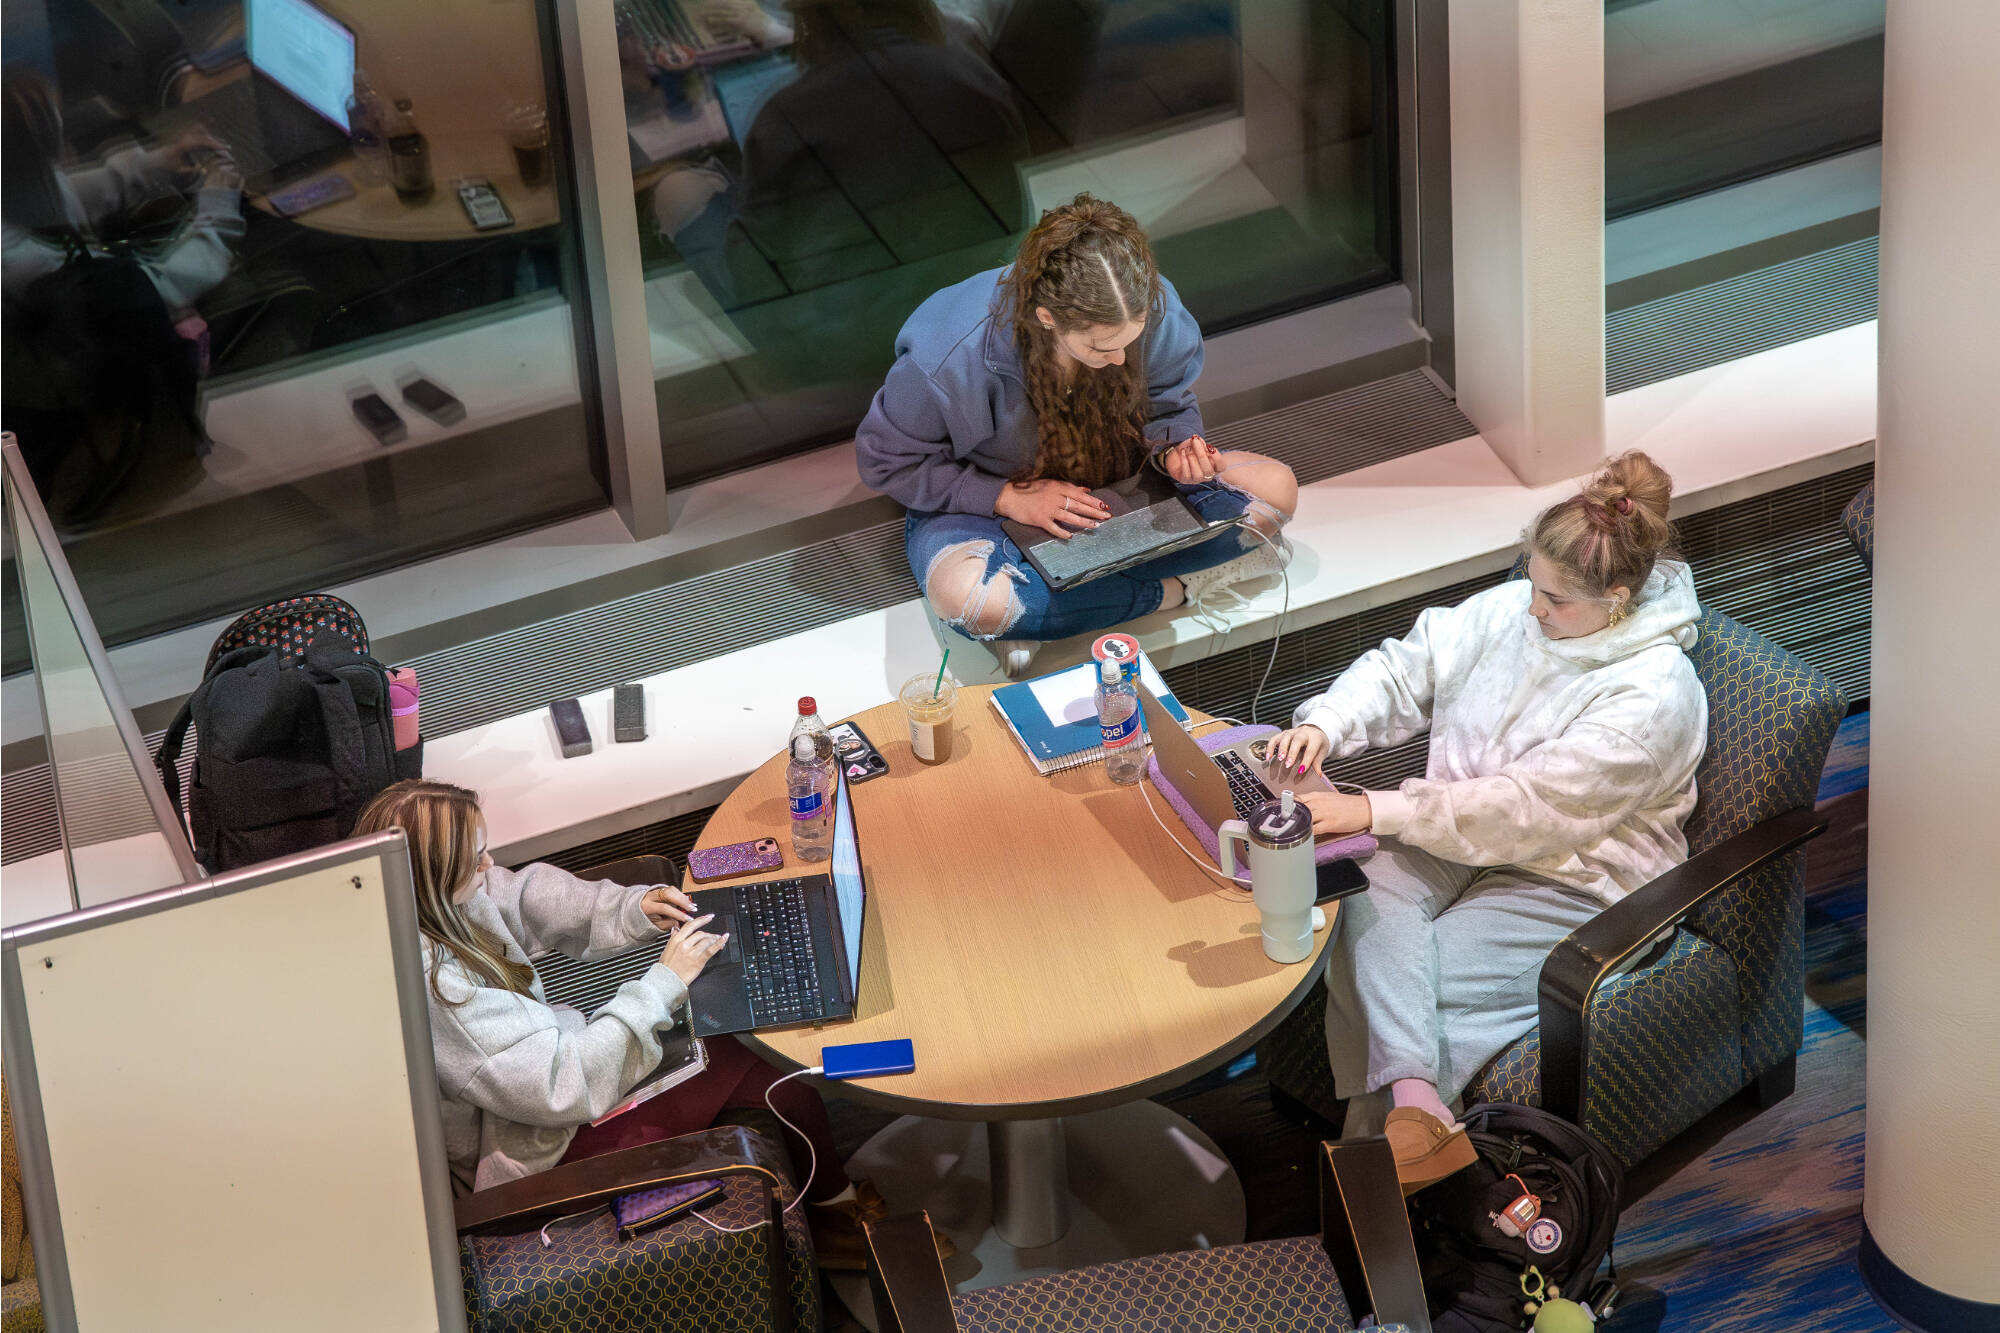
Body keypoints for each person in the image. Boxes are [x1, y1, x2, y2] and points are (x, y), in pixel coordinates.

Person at [1266, 451, 1706, 1193]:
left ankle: (1378, 1198)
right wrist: (1329, 723)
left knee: (1410, 984)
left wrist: (1376, 806)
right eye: (1532, 583)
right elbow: (1410, 666)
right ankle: (1420, 1118)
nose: (1534, 608)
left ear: (1620, 600)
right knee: (1357, 889)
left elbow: (1527, 810)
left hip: (1577, 873)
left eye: (1557, 600)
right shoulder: (1519, 608)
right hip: (1461, 833)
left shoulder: (1653, 695)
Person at [354, 780, 911, 1269]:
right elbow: (565, 1086)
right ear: (434, 878)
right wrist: (663, 982)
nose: (489, 865)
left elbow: (522, 897)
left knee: (738, 1036)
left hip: (552, 1084)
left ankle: (832, 1209)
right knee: (745, 1045)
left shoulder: (425, 901)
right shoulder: (440, 993)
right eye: (474, 860)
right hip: (540, 1150)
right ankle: (837, 1216)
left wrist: (632, 907)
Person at [855, 193, 1299, 676]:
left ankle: (1043, 614)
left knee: (1275, 492)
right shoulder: (949, 356)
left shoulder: (1151, 303)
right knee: (972, 603)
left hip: (1122, 489)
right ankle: (1173, 589)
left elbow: (1169, 402)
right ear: (1048, 318)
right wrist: (1006, 497)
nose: (1122, 362)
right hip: (991, 514)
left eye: (1133, 339)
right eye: (1102, 346)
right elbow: (887, 462)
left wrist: (1175, 448)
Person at [1, 66, 243, 313]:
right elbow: (157, 292)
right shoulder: (30, 264)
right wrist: (219, 210)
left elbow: (56, 193)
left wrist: (157, 163)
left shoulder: (12, 186)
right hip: (123, 323)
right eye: (57, 142)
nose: (68, 153)